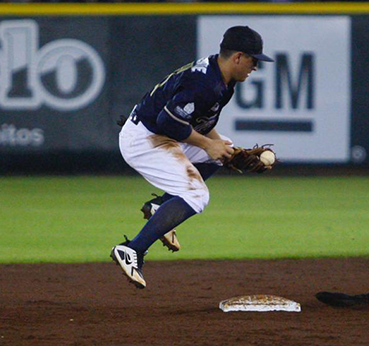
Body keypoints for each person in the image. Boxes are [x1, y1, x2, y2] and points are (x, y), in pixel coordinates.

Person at [111, 26, 274, 289]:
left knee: (224, 149)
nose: (255, 66)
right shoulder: (205, 84)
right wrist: (208, 145)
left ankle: (161, 206)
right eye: (253, 60)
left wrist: (220, 147)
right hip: (145, 140)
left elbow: (200, 122)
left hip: (160, 134)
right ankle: (133, 250)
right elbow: (167, 121)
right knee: (197, 195)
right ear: (238, 57)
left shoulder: (222, 78)